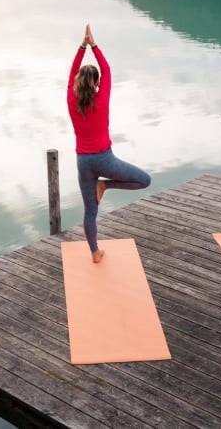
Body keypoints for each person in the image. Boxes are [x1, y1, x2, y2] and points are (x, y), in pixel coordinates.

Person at [67, 24, 151, 263]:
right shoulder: (101, 98)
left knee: (90, 213)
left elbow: (73, 72)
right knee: (144, 180)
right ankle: (106, 186)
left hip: (83, 163)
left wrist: (82, 47)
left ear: (77, 83)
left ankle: (95, 252)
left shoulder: (71, 100)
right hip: (105, 160)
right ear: (95, 84)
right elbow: (107, 69)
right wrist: (92, 44)